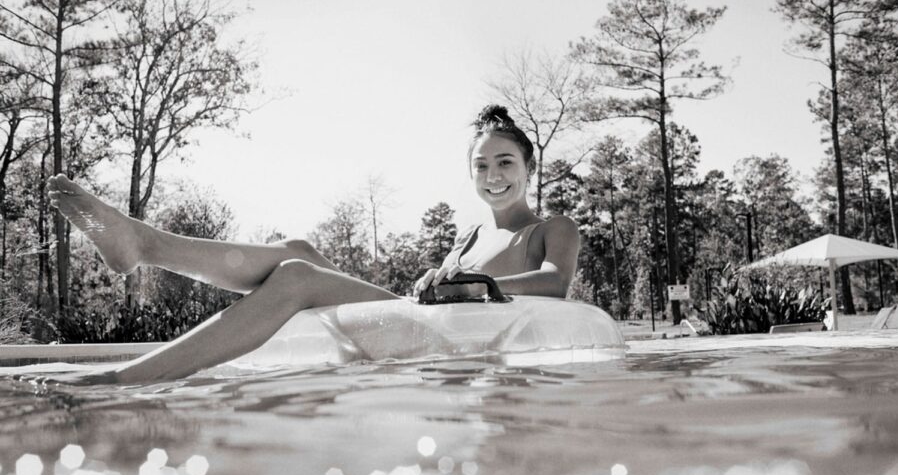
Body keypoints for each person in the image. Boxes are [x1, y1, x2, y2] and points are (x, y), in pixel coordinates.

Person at [45, 105, 580, 383]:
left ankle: (132, 374)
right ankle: (145, 244)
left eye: (505, 163)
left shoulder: (553, 227)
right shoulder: (470, 237)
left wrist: (472, 283)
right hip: (422, 325)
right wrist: (451, 279)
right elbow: (437, 300)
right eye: (481, 165)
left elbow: (555, 283)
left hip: (455, 349)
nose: (493, 175)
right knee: (297, 247)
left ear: (529, 168)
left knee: (298, 277)